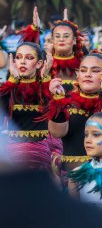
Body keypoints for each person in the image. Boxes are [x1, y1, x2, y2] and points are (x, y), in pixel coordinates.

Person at [45, 53, 102, 178]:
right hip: (72, 176)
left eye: (95, 71)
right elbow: (57, 132)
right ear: (77, 75)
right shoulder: (66, 101)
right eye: (83, 70)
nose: (88, 74)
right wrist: (58, 100)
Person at [0, 42, 58, 171]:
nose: (23, 62)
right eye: (19, 57)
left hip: (40, 150)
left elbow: (55, 113)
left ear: (39, 64)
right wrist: (13, 80)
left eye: (29, 58)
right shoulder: (9, 88)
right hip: (11, 150)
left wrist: (46, 78)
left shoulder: (47, 86)